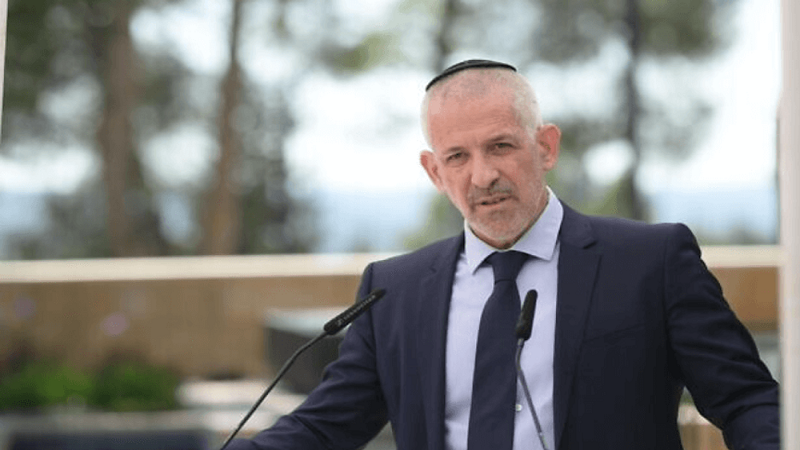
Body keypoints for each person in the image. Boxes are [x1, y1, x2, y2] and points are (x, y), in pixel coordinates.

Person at [227, 60, 779, 450]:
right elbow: (323, 428)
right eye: (457, 157)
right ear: (434, 171)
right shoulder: (393, 291)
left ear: (545, 146)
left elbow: (747, 401)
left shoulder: (651, 263)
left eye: (500, 146)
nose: (482, 175)